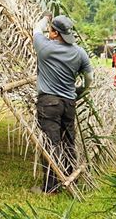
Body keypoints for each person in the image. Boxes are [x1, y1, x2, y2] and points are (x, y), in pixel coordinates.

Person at [32, 13, 94, 194]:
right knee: (68, 141)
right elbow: (89, 78)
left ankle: (50, 186)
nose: (48, 33)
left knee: (51, 143)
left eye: (51, 31)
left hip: (48, 103)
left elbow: (36, 29)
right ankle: (69, 176)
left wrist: (45, 17)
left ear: (55, 33)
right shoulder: (79, 52)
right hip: (68, 103)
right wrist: (80, 91)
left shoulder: (44, 47)